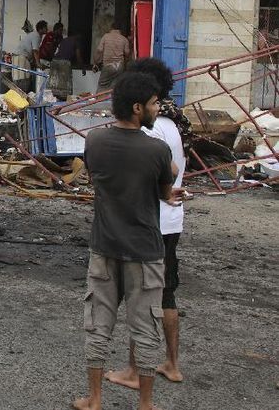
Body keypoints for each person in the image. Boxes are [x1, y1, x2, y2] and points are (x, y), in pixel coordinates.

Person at [73, 71, 183, 410]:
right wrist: (169, 189)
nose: (156, 108)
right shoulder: (158, 150)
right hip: (145, 251)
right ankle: (146, 404)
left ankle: (94, 399)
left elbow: (99, 180)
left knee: (98, 325)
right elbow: (166, 192)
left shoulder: (95, 141)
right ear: (137, 107)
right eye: (152, 104)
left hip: (105, 246)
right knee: (145, 326)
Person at [104, 58, 187, 391]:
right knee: (166, 295)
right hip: (171, 222)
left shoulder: (149, 129)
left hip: (148, 222)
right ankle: (172, 364)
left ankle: (136, 370)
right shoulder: (171, 126)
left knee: (141, 298)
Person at [94, 22, 131, 92]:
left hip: (108, 65)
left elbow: (99, 50)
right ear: (120, 30)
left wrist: (96, 62)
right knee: (115, 87)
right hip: (120, 66)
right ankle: (114, 102)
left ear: (111, 28)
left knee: (102, 86)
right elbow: (127, 53)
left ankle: (99, 102)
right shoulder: (124, 39)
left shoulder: (106, 36)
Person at [50, 30, 85, 100]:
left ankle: (53, 99)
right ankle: (65, 101)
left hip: (54, 61)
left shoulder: (64, 40)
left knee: (55, 83)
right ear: (78, 36)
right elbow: (78, 55)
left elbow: (58, 50)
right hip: (64, 62)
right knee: (66, 84)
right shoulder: (76, 41)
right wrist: (82, 67)